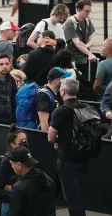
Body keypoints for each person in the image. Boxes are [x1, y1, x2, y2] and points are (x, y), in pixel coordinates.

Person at [48, 78, 89, 216]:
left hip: (67, 159)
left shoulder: (60, 111)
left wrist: (57, 141)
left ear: (63, 91)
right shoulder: (87, 108)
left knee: (72, 198)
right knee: (81, 194)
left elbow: (50, 137)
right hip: (84, 157)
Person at [7, 147, 56, 216]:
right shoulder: (48, 179)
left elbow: (14, 213)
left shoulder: (19, 188)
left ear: (19, 165)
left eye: (12, 164)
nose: (12, 166)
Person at [63, 0, 97, 80]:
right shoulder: (70, 22)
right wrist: (89, 54)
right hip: (73, 60)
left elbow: (92, 40)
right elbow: (77, 44)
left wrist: (86, 45)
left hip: (84, 59)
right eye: (86, 11)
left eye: (89, 11)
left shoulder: (88, 22)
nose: (88, 13)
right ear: (78, 9)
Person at [0, 124, 28, 216]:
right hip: (9, 202)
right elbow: (5, 185)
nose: (24, 143)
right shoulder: (6, 161)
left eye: (25, 140)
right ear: (12, 144)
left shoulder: (26, 155)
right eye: (21, 141)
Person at [37, 67, 70, 131]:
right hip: (49, 135)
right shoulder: (43, 95)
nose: (65, 80)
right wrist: (50, 139)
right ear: (56, 80)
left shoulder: (58, 93)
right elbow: (43, 121)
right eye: (63, 78)